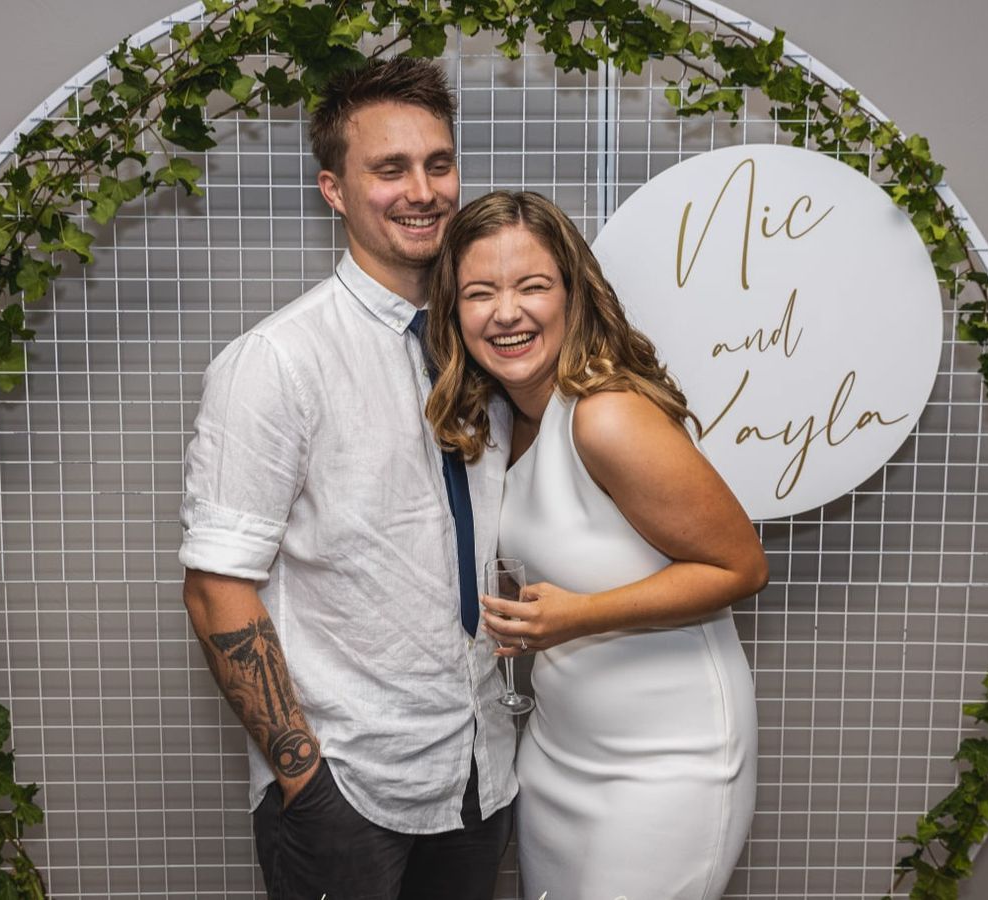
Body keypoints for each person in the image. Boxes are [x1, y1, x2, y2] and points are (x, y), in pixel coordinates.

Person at [178, 59, 517, 900]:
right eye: (389, 169)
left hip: (480, 772)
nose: (423, 191)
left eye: (438, 163)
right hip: (350, 791)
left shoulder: (488, 347)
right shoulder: (277, 362)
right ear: (333, 189)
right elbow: (216, 586)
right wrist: (304, 778)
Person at [425, 190, 768, 899]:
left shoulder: (606, 416)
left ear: (573, 295)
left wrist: (576, 617)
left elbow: (741, 566)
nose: (506, 312)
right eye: (480, 293)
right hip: (556, 757)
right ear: (454, 314)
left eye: (532, 286)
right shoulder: (499, 424)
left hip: (666, 766)